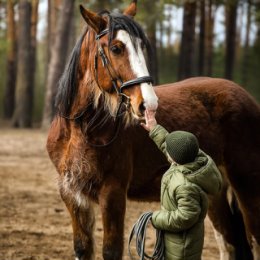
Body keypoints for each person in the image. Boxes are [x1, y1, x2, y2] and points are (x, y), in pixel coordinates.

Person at [141, 109, 222, 260]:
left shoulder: (185, 185)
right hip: (175, 239)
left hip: (182, 248)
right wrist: (154, 128)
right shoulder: (191, 159)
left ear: (175, 158)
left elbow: (186, 217)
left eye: (169, 152)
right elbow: (170, 145)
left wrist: (156, 218)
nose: (166, 151)